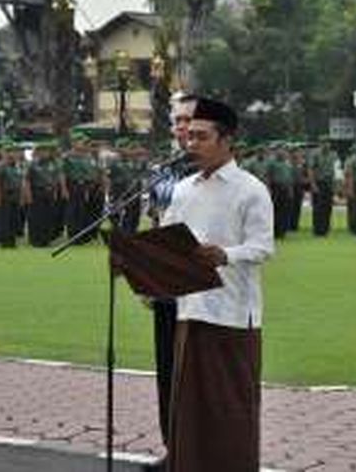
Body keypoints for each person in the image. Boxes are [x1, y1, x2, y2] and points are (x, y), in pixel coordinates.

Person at [163, 96, 274, 472]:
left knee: (230, 411)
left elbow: (262, 248)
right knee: (189, 410)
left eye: (201, 136)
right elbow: (167, 238)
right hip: (189, 311)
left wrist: (224, 255)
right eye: (188, 135)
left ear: (227, 140)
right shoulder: (183, 189)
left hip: (232, 315)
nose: (190, 143)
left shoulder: (250, 189)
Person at [144, 92, 197, 472]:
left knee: (199, 371)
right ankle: (173, 449)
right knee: (167, 371)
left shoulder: (215, 172)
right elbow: (156, 223)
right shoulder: (162, 171)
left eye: (188, 120)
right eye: (177, 121)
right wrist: (148, 275)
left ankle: (201, 450)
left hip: (203, 288)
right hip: (167, 288)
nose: (181, 128)